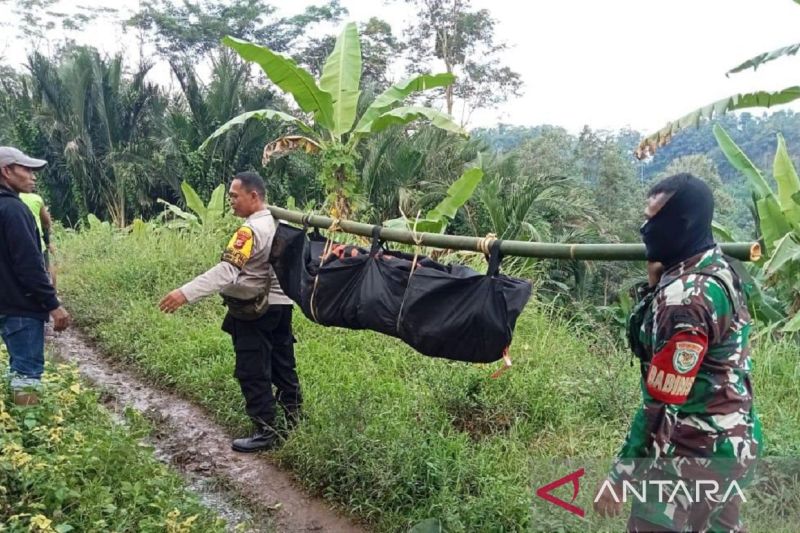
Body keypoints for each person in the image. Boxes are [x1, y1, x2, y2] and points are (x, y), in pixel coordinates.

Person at [594, 173, 760, 532]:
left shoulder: (687, 299)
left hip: (689, 456)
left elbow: (662, 403)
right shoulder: (718, 268)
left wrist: (621, 475)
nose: (644, 228)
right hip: (731, 444)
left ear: (681, 224)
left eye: (654, 219)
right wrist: (656, 284)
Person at [159, 171, 301, 453]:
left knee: (252, 368)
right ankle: (294, 420)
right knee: (283, 361)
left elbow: (227, 271)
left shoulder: (248, 231)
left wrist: (184, 293)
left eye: (235, 196)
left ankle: (266, 431)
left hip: (255, 310)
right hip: (282, 304)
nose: (231, 202)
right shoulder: (280, 222)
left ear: (254, 196)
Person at [0, 146, 70, 406]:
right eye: (26, 169)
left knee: (16, 368)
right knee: (27, 374)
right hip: (21, 307)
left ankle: (15, 428)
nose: (33, 176)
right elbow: (29, 265)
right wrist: (54, 305)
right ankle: (31, 432)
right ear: (6, 171)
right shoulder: (15, 210)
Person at [20, 190, 57, 289]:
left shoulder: (6, 200)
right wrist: (48, 242)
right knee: (47, 268)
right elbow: (46, 223)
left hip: (15, 246)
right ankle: (52, 295)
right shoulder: (36, 198)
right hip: (37, 243)